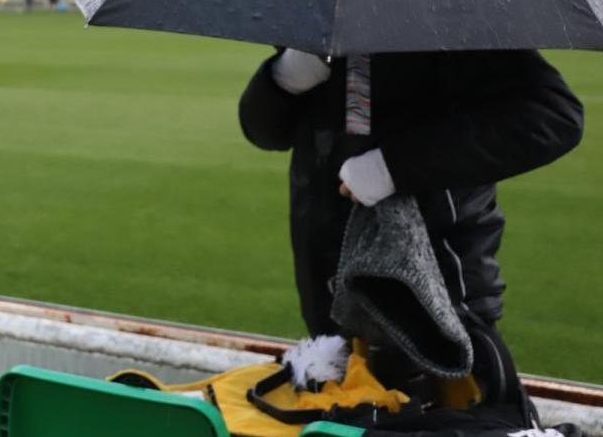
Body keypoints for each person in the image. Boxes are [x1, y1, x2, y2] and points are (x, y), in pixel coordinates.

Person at [238, 49, 583, 423]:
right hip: (330, 283)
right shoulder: (323, 11)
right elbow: (264, 130)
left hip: (439, 297)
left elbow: (554, 115)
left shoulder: (449, 13)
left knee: (468, 421)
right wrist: (284, 77)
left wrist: (394, 167)